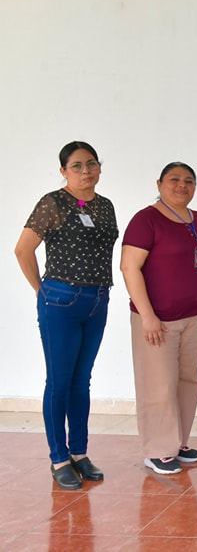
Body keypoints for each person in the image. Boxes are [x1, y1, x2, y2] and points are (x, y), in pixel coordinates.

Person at [14, 141, 118, 490]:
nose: (86, 171)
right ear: (63, 171)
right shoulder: (53, 203)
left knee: (81, 380)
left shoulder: (105, 205)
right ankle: (59, 458)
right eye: (77, 165)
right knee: (59, 381)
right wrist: (40, 290)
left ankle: (79, 452)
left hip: (98, 300)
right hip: (60, 300)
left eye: (92, 163)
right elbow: (23, 249)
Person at [120, 162, 197, 475]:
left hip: (194, 315)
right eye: (174, 179)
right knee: (158, 384)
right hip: (158, 319)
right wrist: (147, 316)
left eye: (189, 180)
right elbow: (129, 267)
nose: (181, 185)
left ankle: (179, 442)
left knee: (187, 380)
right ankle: (158, 450)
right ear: (159, 184)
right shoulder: (146, 220)